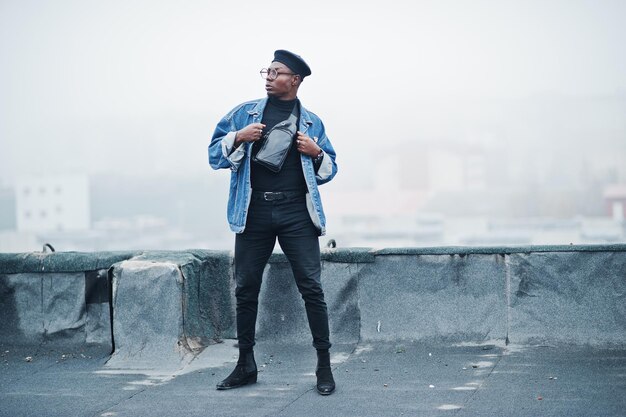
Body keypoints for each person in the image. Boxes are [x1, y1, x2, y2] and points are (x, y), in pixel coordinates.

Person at [208, 50, 338, 395]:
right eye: (267, 70)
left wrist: (316, 151)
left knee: (312, 288)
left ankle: (324, 368)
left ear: (294, 80)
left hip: (297, 213)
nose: (267, 76)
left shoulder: (312, 123)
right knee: (246, 288)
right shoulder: (243, 114)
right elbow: (212, 156)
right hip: (253, 212)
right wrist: (238, 137)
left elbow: (330, 169)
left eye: (276, 71)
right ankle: (245, 365)